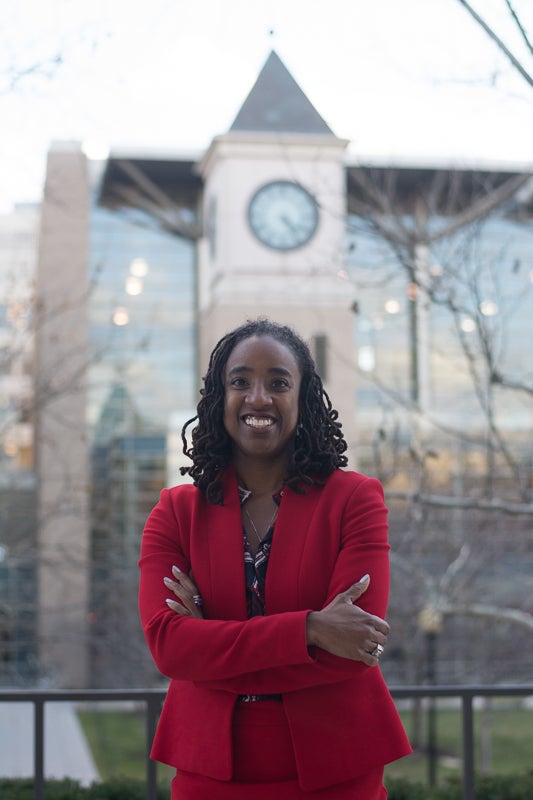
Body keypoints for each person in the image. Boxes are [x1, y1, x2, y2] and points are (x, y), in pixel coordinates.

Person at [138, 318, 411, 799]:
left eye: (278, 383)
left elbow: (355, 647)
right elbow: (171, 648)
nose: (258, 398)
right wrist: (310, 628)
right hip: (210, 774)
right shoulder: (175, 513)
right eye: (240, 381)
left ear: (302, 399)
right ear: (218, 398)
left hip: (335, 771)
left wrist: (213, 648)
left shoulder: (355, 500)